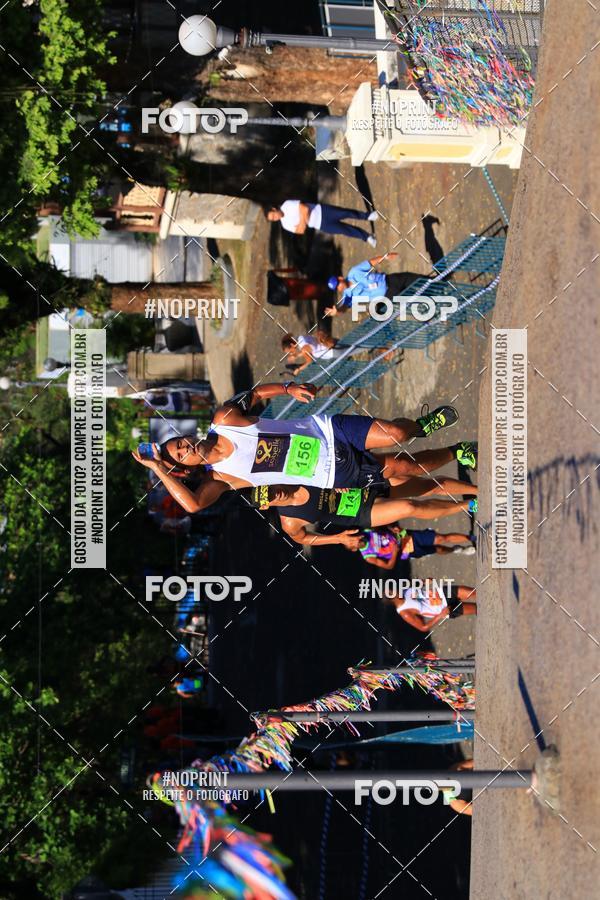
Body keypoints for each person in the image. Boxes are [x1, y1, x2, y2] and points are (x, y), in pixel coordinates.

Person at [132, 381, 462, 513]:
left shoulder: (225, 418)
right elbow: (191, 506)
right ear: (185, 467)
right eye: (180, 454)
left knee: (395, 434)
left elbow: (256, 394)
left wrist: (288, 388)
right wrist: (159, 468)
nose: (186, 447)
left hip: (327, 431)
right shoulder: (222, 480)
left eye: (181, 442)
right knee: (405, 469)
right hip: (330, 471)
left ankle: (421, 426)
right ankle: (459, 452)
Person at [245, 470, 478, 550]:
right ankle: (466, 505)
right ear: (267, 506)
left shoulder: (295, 476)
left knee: (425, 486)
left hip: (363, 485)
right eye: (270, 497)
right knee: (410, 506)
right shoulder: (289, 522)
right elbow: (303, 539)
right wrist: (338, 538)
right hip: (358, 513)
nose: (276, 493)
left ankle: (476, 490)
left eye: (271, 489)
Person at [325, 254, 422, 316]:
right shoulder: (348, 296)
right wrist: (337, 312)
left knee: (415, 278)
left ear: (340, 278)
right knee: (414, 298)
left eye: (338, 284)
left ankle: (435, 280)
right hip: (387, 295)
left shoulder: (354, 272)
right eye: (337, 288)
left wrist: (385, 257)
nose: (339, 287)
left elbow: (370, 263)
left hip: (389, 280)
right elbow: (344, 307)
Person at [358, 525, 476, 569]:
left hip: (408, 536)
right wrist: (395, 552)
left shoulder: (367, 531)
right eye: (352, 543)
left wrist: (392, 528)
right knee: (438, 549)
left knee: (441, 538)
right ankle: (456, 549)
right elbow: (388, 566)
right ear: (354, 548)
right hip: (407, 551)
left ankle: (472, 538)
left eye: (352, 538)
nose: (355, 540)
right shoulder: (368, 556)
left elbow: (382, 526)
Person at [267, 200, 378, 245]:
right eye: (273, 219)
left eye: (273, 215)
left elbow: (305, 208)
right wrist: (303, 218)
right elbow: (301, 231)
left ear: (274, 209)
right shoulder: (285, 224)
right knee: (345, 230)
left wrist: (302, 220)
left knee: (346, 213)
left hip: (322, 211)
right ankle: (367, 237)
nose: (275, 218)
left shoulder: (286, 205)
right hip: (320, 224)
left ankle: (368, 216)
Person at [387, 581, 477, 632]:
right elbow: (423, 627)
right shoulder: (404, 612)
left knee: (476, 593)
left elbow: (420, 592)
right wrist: (441, 615)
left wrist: (424, 582)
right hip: (444, 609)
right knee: (477, 609)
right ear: (392, 599)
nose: (396, 590)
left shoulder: (404, 591)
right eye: (393, 592)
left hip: (443, 593)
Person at [281, 331, 346, 375]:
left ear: (292, 345)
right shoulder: (300, 338)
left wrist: (298, 369)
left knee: (353, 349)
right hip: (332, 342)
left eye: (290, 351)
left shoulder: (303, 348)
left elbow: (309, 361)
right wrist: (296, 356)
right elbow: (308, 350)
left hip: (333, 351)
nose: (291, 353)